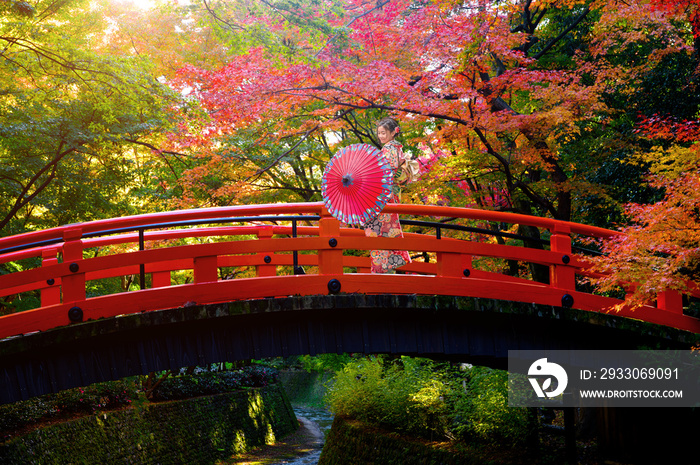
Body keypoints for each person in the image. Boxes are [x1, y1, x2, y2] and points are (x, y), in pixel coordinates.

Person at [364, 117, 413, 273]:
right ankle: (389, 266)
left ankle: (381, 270)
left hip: (384, 195)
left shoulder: (389, 149)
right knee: (388, 231)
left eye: (384, 133)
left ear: (393, 133)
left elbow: (387, 172)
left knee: (379, 230)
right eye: (379, 133)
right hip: (390, 194)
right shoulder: (396, 148)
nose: (381, 136)